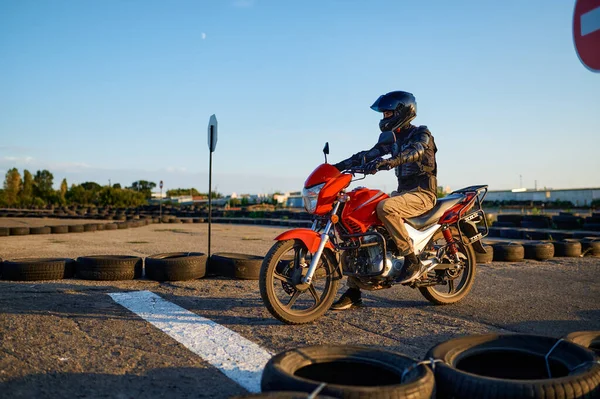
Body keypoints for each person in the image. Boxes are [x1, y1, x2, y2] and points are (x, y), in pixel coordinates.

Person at [330, 91, 438, 310]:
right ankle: (353, 291)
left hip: (423, 194)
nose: (384, 117)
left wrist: (391, 162)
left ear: (403, 112)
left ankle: (411, 260)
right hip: (403, 194)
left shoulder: (421, 133)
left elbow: (416, 152)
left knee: (386, 208)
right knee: (361, 220)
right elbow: (369, 154)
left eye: (388, 112)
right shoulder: (391, 138)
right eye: (384, 113)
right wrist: (335, 168)